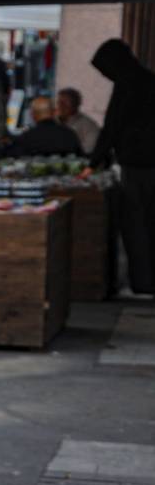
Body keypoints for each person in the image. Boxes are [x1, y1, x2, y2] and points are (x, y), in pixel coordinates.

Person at [92, 38, 155, 296]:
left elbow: (112, 127)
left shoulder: (127, 85)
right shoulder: (149, 80)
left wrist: (94, 161)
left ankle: (143, 281)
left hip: (137, 164)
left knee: (136, 224)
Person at [2, 96, 85, 159]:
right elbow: (81, 159)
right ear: (54, 112)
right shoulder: (69, 135)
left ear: (33, 115)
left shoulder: (26, 138)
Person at [58, 87, 101, 155]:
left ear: (76, 104)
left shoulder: (89, 126)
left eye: (65, 102)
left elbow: (89, 148)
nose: (61, 106)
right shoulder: (54, 123)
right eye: (59, 102)